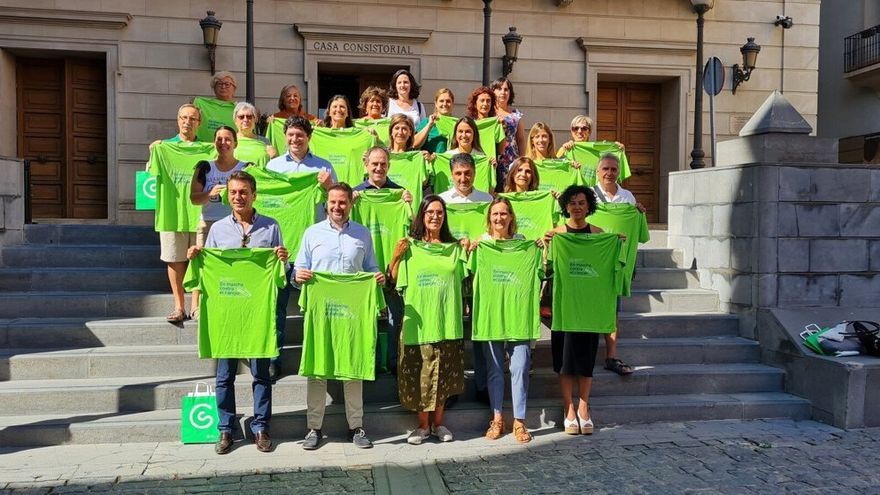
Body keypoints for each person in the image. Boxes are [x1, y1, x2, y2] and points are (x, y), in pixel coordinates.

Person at [186, 170, 289, 455]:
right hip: (227, 313)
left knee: (261, 374)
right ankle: (225, 430)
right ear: (227, 195)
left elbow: (281, 274)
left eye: (244, 192)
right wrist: (197, 256)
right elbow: (209, 271)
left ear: (254, 194)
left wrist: (283, 260)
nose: (238, 197)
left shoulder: (271, 227)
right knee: (223, 376)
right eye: (233, 192)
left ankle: (261, 428)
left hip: (257, 313)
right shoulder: (217, 229)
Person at [294, 183, 385, 450]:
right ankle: (314, 428)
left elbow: (371, 267)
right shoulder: (312, 233)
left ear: (350, 204)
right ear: (326, 205)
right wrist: (298, 275)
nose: (337, 207)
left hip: (352, 313)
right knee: (317, 369)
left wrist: (376, 277)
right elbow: (300, 267)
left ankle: (356, 427)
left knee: (352, 367)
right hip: (321, 311)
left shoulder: (362, 234)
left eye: (342, 202)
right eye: (333, 202)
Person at [388, 195, 467, 445]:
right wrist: (396, 256)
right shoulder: (410, 247)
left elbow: (468, 274)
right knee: (420, 377)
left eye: (440, 212)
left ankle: (439, 424)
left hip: (446, 323)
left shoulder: (455, 248)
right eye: (430, 212)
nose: (435, 216)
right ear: (422, 216)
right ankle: (422, 426)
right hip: (419, 326)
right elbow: (393, 280)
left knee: (442, 376)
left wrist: (470, 247)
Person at [265, 116, 336, 378]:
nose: (295, 140)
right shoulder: (272, 167)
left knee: (316, 306)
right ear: (284, 136)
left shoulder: (323, 167)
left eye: (300, 135)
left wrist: (327, 184)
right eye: (291, 135)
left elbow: (335, 201)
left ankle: (319, 357)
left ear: (309, 137)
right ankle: (274, 358)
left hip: (314, 248)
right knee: (277, 306)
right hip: (280, 247)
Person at [543, 185, 609, 436]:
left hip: (589, 307)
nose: (577, 207)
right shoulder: (558, 234)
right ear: (565, 206)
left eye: (581, 202)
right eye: (572, 203)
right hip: (564, 306)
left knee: (586, 359)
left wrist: (615, 243)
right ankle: (568, 407)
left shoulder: (598, 234)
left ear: (588, 205)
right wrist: (547, 247)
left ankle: (584, 406)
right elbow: (546, 270)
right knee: (564, 360)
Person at [472, 197, 535, 443]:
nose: (499, 218)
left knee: (520, 367)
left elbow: (539, 269)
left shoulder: (524, 244)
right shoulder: (482, 244)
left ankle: (519, 421)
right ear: (489, 218)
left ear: (511, 217)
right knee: (495, 370)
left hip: (519, 316)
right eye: (495, 214)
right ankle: (497, 418)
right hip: (491, 316)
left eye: (504, 214)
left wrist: (540, 246)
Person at [148, 104, 214, 323]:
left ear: (199, 123)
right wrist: (152, 151)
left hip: (200, 213)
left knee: (200, 260)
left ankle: (196, 305)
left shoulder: (208, 149)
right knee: (174, 260)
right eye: (184, 117)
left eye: (193, 118)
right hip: (172, 212)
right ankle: (179, 306)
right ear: (177, 120)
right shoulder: (163, 148)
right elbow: (151, 174)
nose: (188, 122)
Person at [591, 154, 647, 376]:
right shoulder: (589, 196)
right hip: (594, 262)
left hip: (618, 262)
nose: (609, 173)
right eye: (605, 168)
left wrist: (639, 214)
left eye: (614, 169)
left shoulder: (628, 198)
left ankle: (610, 355)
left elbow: (638, 235)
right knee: (591, 307)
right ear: (597, 171)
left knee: (613, 310)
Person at [491, 77, 526, 172]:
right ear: (493, 91)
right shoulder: (488, 113)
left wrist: (522, 160)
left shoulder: (515, 115)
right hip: (492, 159)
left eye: (506, 89)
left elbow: (521, 139)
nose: (503, 92)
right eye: (499, 89)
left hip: (511, 160)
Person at [192, 71, 237, 142]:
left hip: (230, 150)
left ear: (234, 88)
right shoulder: (200, 104)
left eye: (227, 84)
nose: (223, 86)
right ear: (214, 88)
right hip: (205, 150)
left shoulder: (240, 110)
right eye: (219, 84)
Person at [232, 102, 276, 167]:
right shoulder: (229, 141)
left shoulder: (264, 141)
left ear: (255, 119)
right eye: (241, 117)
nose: (245, 120)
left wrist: (273, 157)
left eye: (249, 117)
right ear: (235, 120)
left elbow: (272, 166)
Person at [414, 88, 455, 155]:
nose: (445, 104)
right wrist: (429, 126)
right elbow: (415, 144)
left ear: (452, 104)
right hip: (430, 163)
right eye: (441, 101)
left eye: (448, 101)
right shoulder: (427, 122)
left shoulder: (457, 124)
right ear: (436, 103)